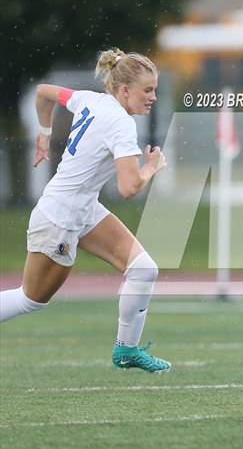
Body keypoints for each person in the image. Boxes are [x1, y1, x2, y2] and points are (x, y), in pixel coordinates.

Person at [0, 48, 171, 373]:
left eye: (155, 89)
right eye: (148, 90)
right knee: (30, 299)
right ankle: (127, 349)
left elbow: (43, 93)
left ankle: (127, 350)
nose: (153, 97)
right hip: (59, 217)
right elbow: (128, 187)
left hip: (83, 208)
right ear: (124, 90)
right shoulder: (121, 124)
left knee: (144, 269)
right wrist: (150, 167)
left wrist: (45, 133)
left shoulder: (90, 99)